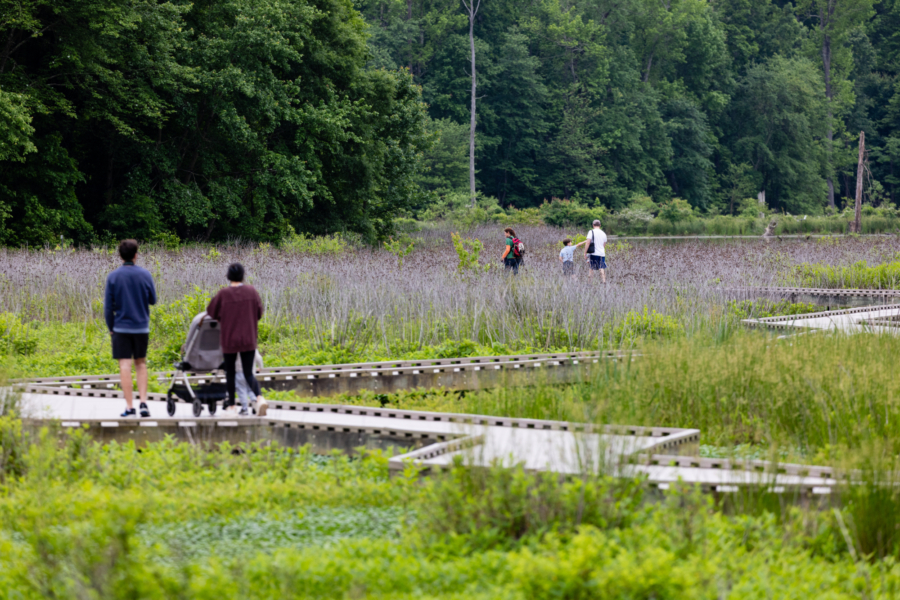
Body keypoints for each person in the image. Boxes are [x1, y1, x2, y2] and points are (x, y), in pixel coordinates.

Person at [206, 263, 268, 417]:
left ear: (228, 276)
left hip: (229, 340)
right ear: (242, 276)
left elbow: (211, 311)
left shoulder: (223, 294)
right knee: (248, 373)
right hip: (248, 338)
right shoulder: (251, 291)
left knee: (231, 374)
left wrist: (223, 318)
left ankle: (232, 407)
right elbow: (259, 312)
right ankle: (259, 399)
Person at [104, 239, 157, 418]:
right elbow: (153, 300)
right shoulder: (145, 275)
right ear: (136, 255)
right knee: (141, 364)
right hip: (141, 327)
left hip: (121, 327)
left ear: (120, 255)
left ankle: (129, 407)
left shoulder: (113, 276)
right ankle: (143, 403)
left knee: (124, 366)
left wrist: (111, 328)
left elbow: (107, 308)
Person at [234, 350, 263, 416]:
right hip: (251, 373)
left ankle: (244, 408)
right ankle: (255, 404)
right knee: (251, 389)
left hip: (239, 372)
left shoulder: (237, 347)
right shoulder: (252, 347)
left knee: (242, 390)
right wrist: (260, 367)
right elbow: (259, 358)